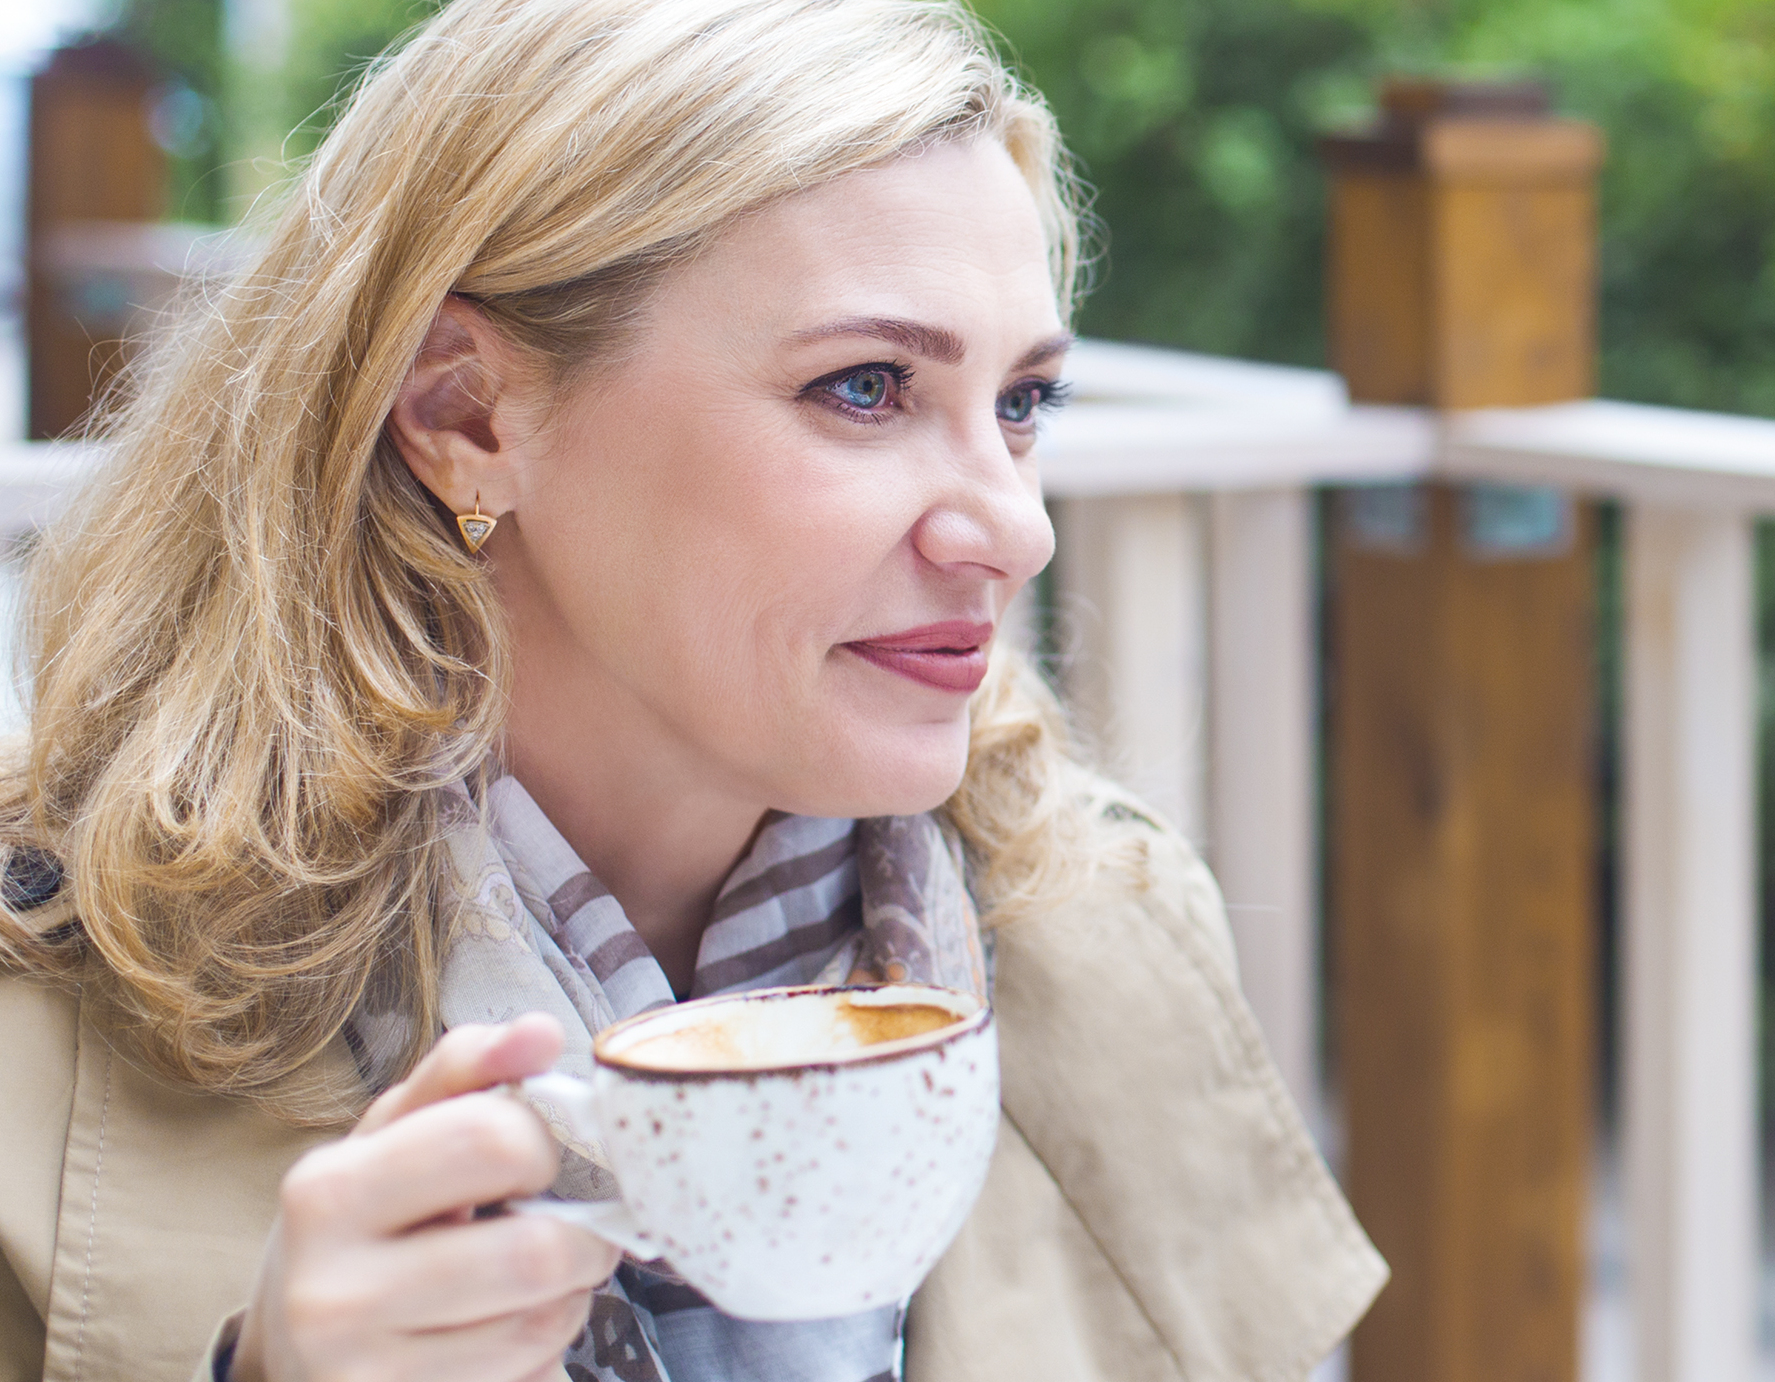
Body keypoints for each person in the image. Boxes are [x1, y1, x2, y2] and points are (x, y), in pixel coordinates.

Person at [0, 0, 1384, 1377]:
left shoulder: (1110, 928)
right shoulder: (38, 1030)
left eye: (1023, 403)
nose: (1019, 528)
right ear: (465, 416)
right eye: (865, 386)